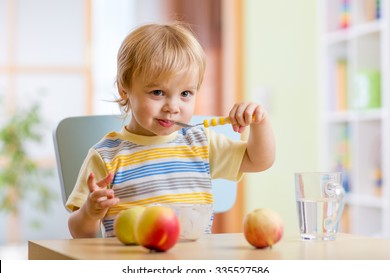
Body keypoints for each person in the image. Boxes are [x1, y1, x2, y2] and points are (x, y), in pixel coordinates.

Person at [66, 22, 275, 238]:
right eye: (157, 92)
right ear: (124, 89)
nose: (173, 107)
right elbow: (79, 234)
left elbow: (259, 160)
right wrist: (90, 214)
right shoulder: (106, 156)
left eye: (185, 93)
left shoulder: (201, 143)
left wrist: (260, 122)